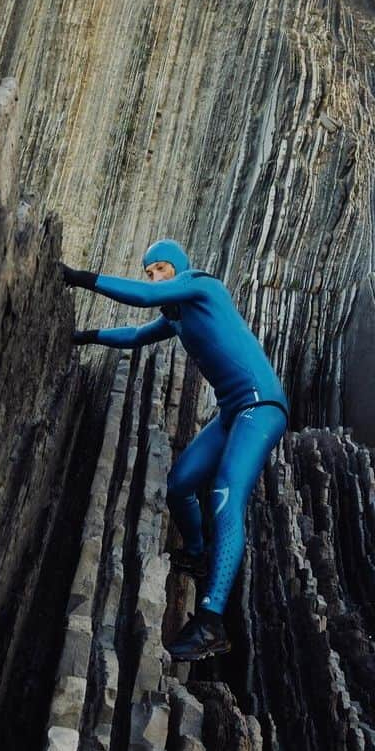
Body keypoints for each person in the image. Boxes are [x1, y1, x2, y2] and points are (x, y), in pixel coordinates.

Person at [62, 238, 289, 661]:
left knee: (225, 493)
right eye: (149, 271)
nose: (154, 277)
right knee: (180, 484)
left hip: (261, 406)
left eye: (160, 268)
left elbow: (146, 298)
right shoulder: (179, 317)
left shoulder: (202, 286)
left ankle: (211, 623)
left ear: (179, 269)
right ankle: (202, 556)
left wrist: (77, 278)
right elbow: (135, 335)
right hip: (232, 413)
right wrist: (85, 336)